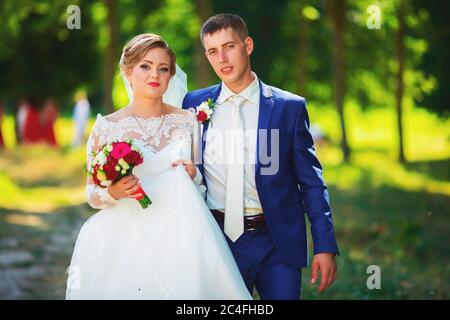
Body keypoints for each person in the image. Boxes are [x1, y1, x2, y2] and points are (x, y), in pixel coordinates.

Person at [66, 33, 251, 300]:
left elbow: (200, 188)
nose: (155, 74)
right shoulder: (107, 126)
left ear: (171, 75)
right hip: (124, 239)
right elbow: (91, 193)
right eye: (145, 66)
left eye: (163, 68)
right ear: (127, 72)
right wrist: (113, 192)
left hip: (182, 239)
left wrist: (193, 173)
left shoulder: (188, 122)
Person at [182, 14, 339, 300]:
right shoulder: (194, 104)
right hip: (218, 239)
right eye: (213, 51)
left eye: (229, 46)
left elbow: (311, 182)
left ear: (248, 45)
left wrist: (324, 244)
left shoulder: (288, 108)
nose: (222, 58)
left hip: (277, 242)